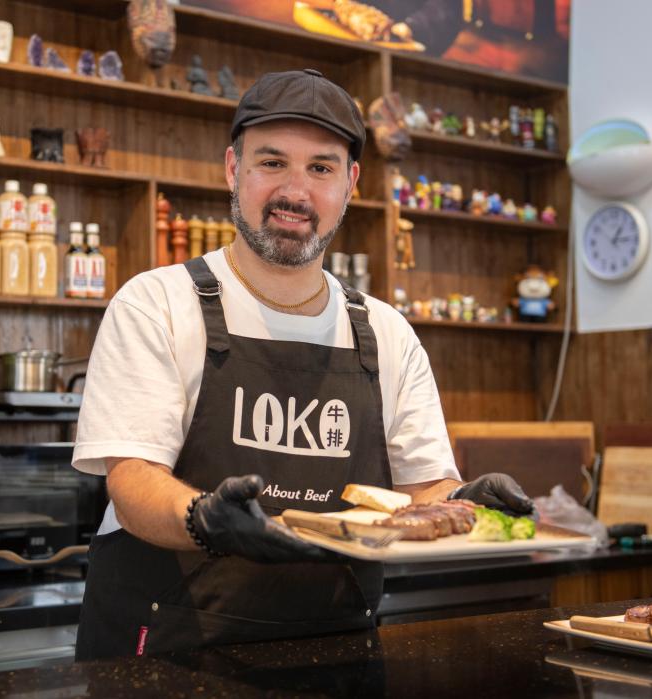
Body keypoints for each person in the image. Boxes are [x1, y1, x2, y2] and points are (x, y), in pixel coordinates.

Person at [72, 69, 533, 660]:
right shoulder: (157, 303)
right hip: (168, 654)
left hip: (339, 655)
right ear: (233, 169)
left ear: (350, 184)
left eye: (320, 168)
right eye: (272, 162)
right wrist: (202, 519)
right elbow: (132, 480)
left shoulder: (386, 332)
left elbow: (421, 488)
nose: (295, 191)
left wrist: (465, 501)